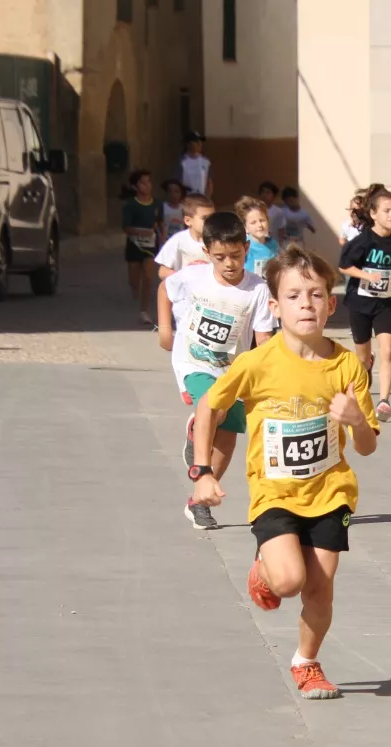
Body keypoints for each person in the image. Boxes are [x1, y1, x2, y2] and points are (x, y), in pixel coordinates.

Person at [189, 246, 381, 699]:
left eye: (316, 295)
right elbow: (209, 405)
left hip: (331, 493)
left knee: (320, 588)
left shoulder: (346, 365)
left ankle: (306, 662)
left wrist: (355, 419)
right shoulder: (257, 363)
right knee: (289, 581)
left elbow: (368, 445)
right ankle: (265, 571)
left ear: (331, 304)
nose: (306, 304)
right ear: (275, 306)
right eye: (294, 295)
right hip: (274, 493)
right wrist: (202, 471)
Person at [158, 212, 276, 530]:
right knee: (212, 402)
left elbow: (263, 338)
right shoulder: (194, 276)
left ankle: (199, 501)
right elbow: (164, 289)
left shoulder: (258, 290)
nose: (228, 263)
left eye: (236, 256)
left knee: (227, 439)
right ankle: (201, 467)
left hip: (233, 370)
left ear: (246, 248)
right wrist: (165, 330)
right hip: (192, 362)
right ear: (207, 252)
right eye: (220, 257)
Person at [337, 185, 391, 419]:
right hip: (360, 304)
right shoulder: (363, 240)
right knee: (362, 358)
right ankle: (362, 388)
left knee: (388, 350)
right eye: (387, 211)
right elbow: (344, 265)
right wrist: (367, 276)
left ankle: (384, 401)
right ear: (373, 213)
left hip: (384, 303)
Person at [121, 169, 160, 326]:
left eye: (148, 182)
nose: (147, 185)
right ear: (135, 186)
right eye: (143, 183)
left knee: (149, 277)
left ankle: (144, 311)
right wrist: (140, 231)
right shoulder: (131, 205)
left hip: (150, 246)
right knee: (134, 279)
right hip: (134, 245)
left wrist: (160, 233)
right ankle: (135, 288)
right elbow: (125, 227)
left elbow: (160, 222)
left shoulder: (156, 204)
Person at [155, 193, 216, 280]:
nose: (210, 222)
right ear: (188, 220)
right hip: (184, 291)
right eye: (204, 218)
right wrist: (182, 276)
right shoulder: (178, 240)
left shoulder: (218, 240)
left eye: (213, 217)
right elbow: (163, 272)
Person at [236, 195, 281, 275]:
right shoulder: (243, 247)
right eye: (253, 222)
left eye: (262, 220)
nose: (259, 225)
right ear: (245, 227)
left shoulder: (273, 245)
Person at [180, 133, 212, 197]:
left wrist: (207, 198)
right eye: (197, 142)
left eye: (200, 142)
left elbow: (209, 183)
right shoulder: (182, 162)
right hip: (187, 199)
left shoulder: (206, 162)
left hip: (201, 198)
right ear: (188, 144)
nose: (200, 144)